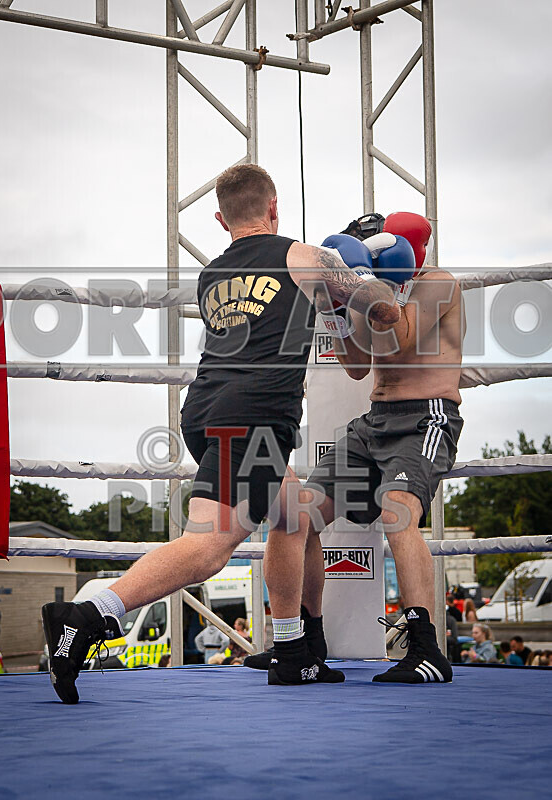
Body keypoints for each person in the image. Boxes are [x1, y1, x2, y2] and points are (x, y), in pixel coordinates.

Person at [41, 164, 400, 703]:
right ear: (275, 207)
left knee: (293, 515)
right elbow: (385, 311)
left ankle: (293, 650)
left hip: (205, 408)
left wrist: (338, 307)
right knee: (209, 549)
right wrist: (375, 273)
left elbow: (349, 360)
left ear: (219, 218)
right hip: (254, 415)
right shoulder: (304, 256)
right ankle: (89, 616)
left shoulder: (212, 276)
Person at [246, 211, 465, 684]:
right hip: (375, 423)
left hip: (425, 416)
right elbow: (357, 367)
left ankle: (426, 649)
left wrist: (369, 286)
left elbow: (402, 339)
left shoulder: (438, 282)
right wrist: (335, 307)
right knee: (295, 514)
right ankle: (304, 643)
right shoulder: (373, 291)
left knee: (398, 510)